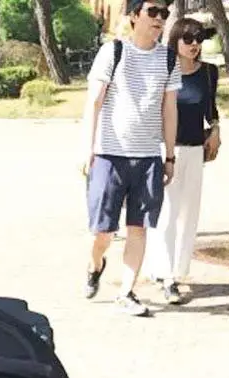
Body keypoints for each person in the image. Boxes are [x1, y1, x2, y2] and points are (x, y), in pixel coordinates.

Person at [81, 0, 182, 317]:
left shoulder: (168, 58)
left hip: (148, 158)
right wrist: (87, 148)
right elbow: (94, 102)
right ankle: (95, 265)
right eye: (152, 12)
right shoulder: (113, 52)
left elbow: (169, 109)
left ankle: (126, 292)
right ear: (135, 16)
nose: (159, 19)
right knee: (103, 232)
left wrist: (169, 156)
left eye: (163, 14)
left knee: (139, 228)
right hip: (109, 155)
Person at [146, 20, 220, 305]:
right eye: (188, 39)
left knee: (189, 214)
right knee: (166, 212)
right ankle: (166, 276)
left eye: (198, 39)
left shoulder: (208, 73)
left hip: (195, 150)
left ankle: (177, 271)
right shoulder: (163, 70)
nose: (194, 45)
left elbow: (211, 109)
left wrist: (215, 130)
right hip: (165, 149)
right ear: (175, 41)